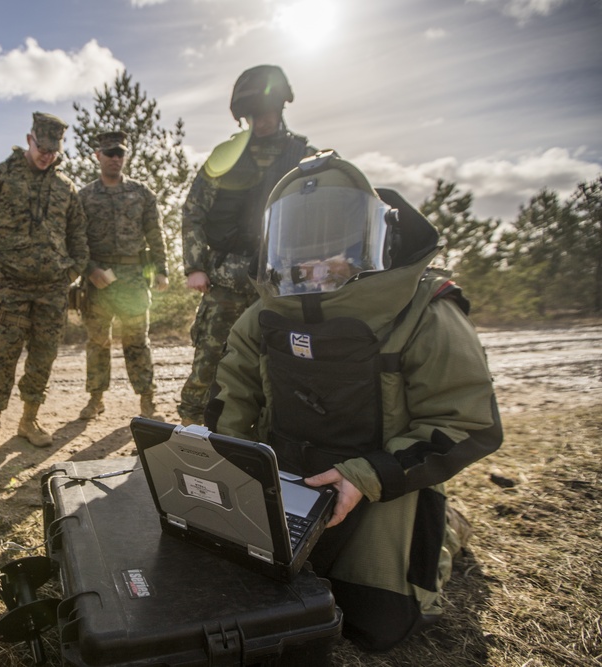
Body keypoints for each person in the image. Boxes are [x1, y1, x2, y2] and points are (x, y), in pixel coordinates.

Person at [206, 151, 503, 651]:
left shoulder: (422, 310)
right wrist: (230, 472)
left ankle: (447, 529)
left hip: (379, 481)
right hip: (290, 482)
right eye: (300, 248)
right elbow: (230, 399)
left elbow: (467, 423)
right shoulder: (264, 314)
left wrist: (363, 478)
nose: (315, 265)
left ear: (373, 237)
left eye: (333, 247)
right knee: (250, 591)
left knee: (379, 623)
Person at [177, 64, 316, 426]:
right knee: (209, 362)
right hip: (226, 281)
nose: (261, 120)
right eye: (253, 114)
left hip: (281, 285)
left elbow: (324, 217)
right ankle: (194, 430)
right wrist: (194, 266)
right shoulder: (225, 156)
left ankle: (266, 437)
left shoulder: (305, 158)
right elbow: (193, 211)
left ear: (281, 108)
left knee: (276, 366)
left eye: (267, 111)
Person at [0, 112, 88, 459]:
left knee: (43, 357)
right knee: (1, 356)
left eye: (53, 150)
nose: (46, 155)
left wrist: (72, 271)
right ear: (30, 139)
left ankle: (29, 421)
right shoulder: (0, 176)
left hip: (52, 289)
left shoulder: (65, 188)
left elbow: (78, 234)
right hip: (11, 284)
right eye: (42, 147)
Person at [76, 131, 169, 421]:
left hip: (133, 280)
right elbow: (75, 240)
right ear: (98, 156)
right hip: (98, 281)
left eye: (120, 154)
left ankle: (147, 401)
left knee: (137, 341)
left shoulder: (142, 194)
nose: (115, 159)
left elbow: (155, 236)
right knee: (97, 343)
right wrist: (90, 270)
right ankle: (95, 400)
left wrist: (160, 272)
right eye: (109, 154)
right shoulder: (84, 196)